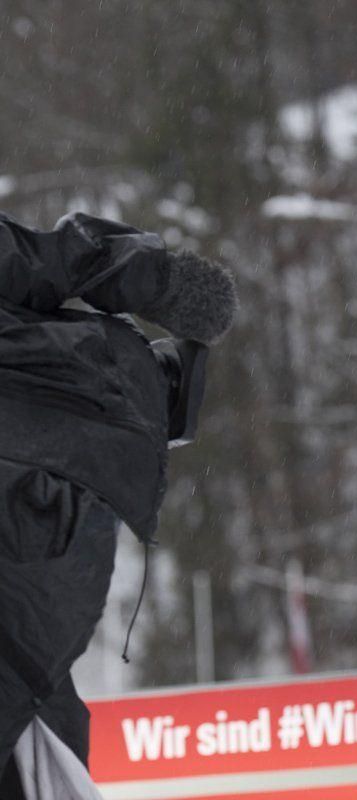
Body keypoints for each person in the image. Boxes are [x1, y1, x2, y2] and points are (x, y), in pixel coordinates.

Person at [0, 211, 237, 799]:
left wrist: (164, 283)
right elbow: (47, 259)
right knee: (38, 722)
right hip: (59, 475)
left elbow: (40, 259)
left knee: (33, 712)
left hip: (48, 473)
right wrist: (162, 282)